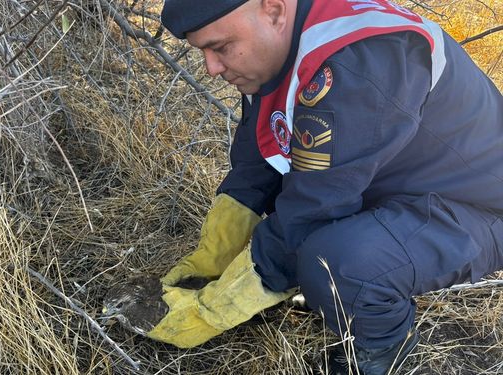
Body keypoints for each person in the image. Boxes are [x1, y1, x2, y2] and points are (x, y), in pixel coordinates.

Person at [146, 0, 503, 374]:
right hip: (400, 181)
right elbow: (262, 149)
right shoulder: (275, 47)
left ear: (273, 9)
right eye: (202, 51)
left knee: (334, 261)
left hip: (476, 207)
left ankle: (383, 348)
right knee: (299, 234)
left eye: (219, 48)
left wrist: (217, 309)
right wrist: (216, 250)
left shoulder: (359, 60)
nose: (212, 68)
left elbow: (315, 206)